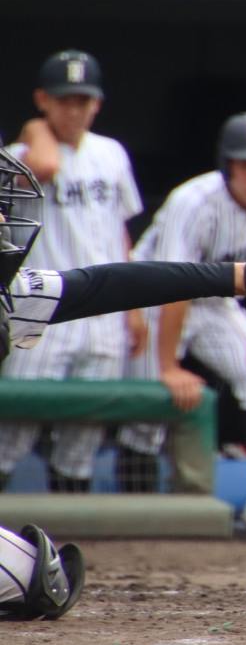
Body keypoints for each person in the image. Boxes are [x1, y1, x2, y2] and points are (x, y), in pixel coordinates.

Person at [0, 140, 246, 620]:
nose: (7, 222)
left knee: (35, 578)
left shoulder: (10, 295)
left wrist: (239, 277)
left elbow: (108, 284)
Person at [126, 113, 246, 539]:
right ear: (227, 164)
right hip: (151, 296)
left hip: (215, 303)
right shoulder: (193, 200)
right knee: (148, 408)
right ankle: (132, 507)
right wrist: (169, 364)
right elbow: (171, 282)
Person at [0, 51, 145, 493]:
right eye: (64, 100)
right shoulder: (16, 155)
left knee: (84, 436)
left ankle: (73, 538)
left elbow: (120, 231)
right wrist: (34, 130)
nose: (75, 110)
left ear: (97, 104)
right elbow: (44, 167)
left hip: (103, 312)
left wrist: (134, 309)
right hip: (41, 306)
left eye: (83, 100)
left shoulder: (112, 153)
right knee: (13, 429)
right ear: (42, 100)